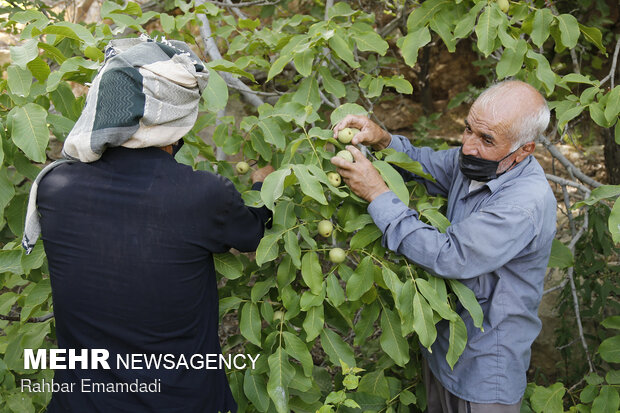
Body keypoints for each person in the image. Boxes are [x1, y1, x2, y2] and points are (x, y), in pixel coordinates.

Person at [23, 37, 272, 413]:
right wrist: (263, 187)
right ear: (176, 118)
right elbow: (252, 233)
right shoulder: (201, 194)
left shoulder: (54, 189)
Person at [331, 80, 557, 413]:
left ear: (524, 150)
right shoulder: (479, 161)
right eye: (467, 129)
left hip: (485, 369)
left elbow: (449, 256)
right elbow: (424, 165)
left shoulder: (523, 204)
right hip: (443, 350)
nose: (468, 146)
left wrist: (378, 194)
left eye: (486, 139)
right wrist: (384, 140)